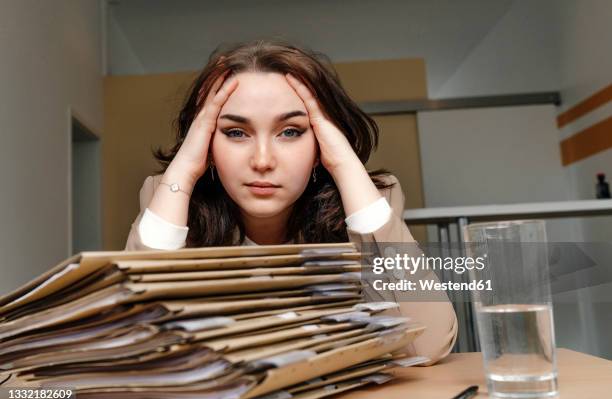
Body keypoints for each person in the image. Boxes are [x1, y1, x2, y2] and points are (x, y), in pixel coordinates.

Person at [125, 40, 457, 364]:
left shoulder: (372, 199)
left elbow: (426, 344)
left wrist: (342, 163)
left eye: (291, 131)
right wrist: (183, 171)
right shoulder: (168, 199)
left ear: (321, 143)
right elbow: (135, 348)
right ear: (208, 141)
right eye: (236, 133)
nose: (263, 160)